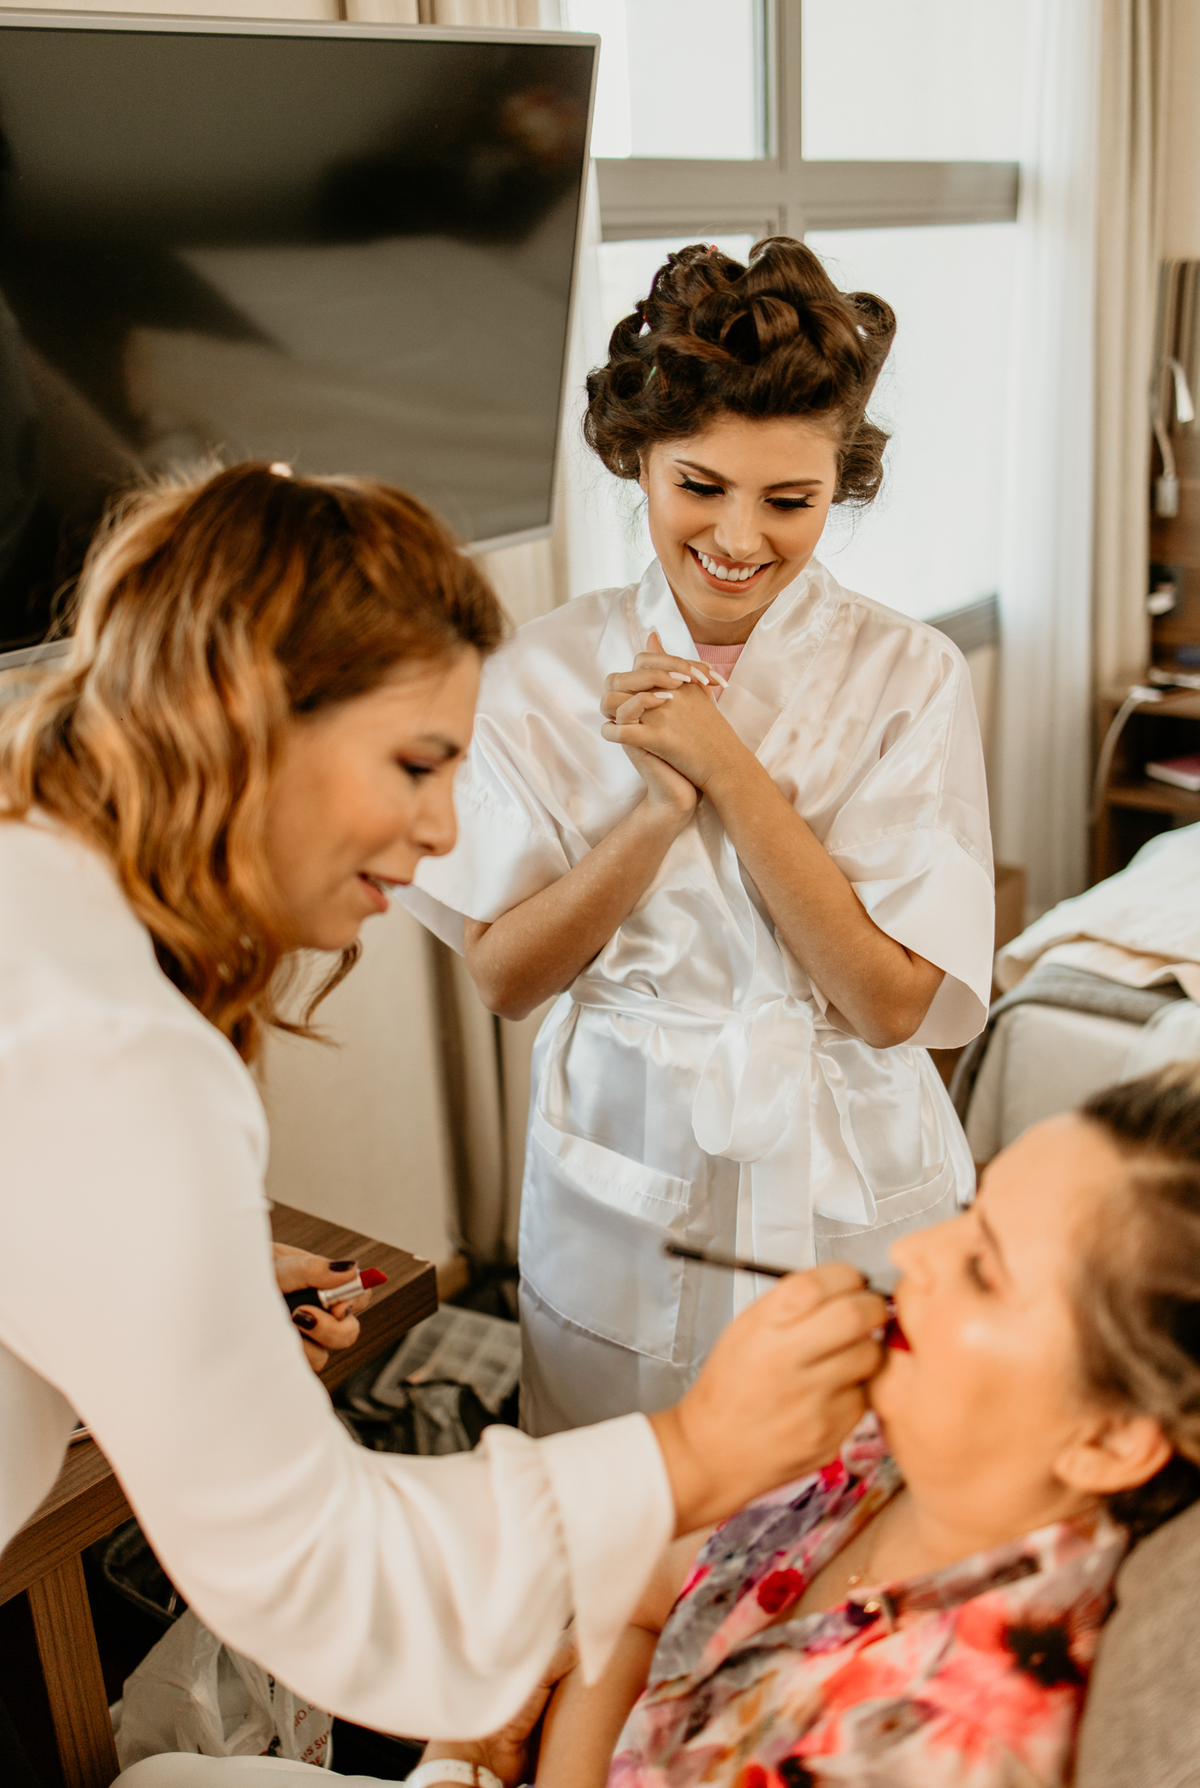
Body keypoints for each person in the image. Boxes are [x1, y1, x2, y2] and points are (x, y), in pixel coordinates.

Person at [0, 462, 891, 1770]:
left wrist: (203, 1270)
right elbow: (315, 1566)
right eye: (417, 765)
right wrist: (689, 1453)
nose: (438, 831)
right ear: (246, 716)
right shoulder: (112, 1047)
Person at [399, 237, 995, 1435]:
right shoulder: (541, 671)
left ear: (842, 488)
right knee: (633, 1520)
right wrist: (658, 810)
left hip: (848, 1166)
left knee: (855, 1518)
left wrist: (723, 770)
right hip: (631, 1163)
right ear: (638, 463)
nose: (739, 538)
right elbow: (508, 976)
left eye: (791, 501)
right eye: (699, 487)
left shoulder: (908, 674)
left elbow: (888, 1008)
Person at [424, 1064, 1200, 1788]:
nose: (912, 1251)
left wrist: (461, 1761)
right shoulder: (886, 1444)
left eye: (982, 1270)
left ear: (1108, 1440)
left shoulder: (952, 1743)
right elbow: (640, 1597)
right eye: (967, 1216)